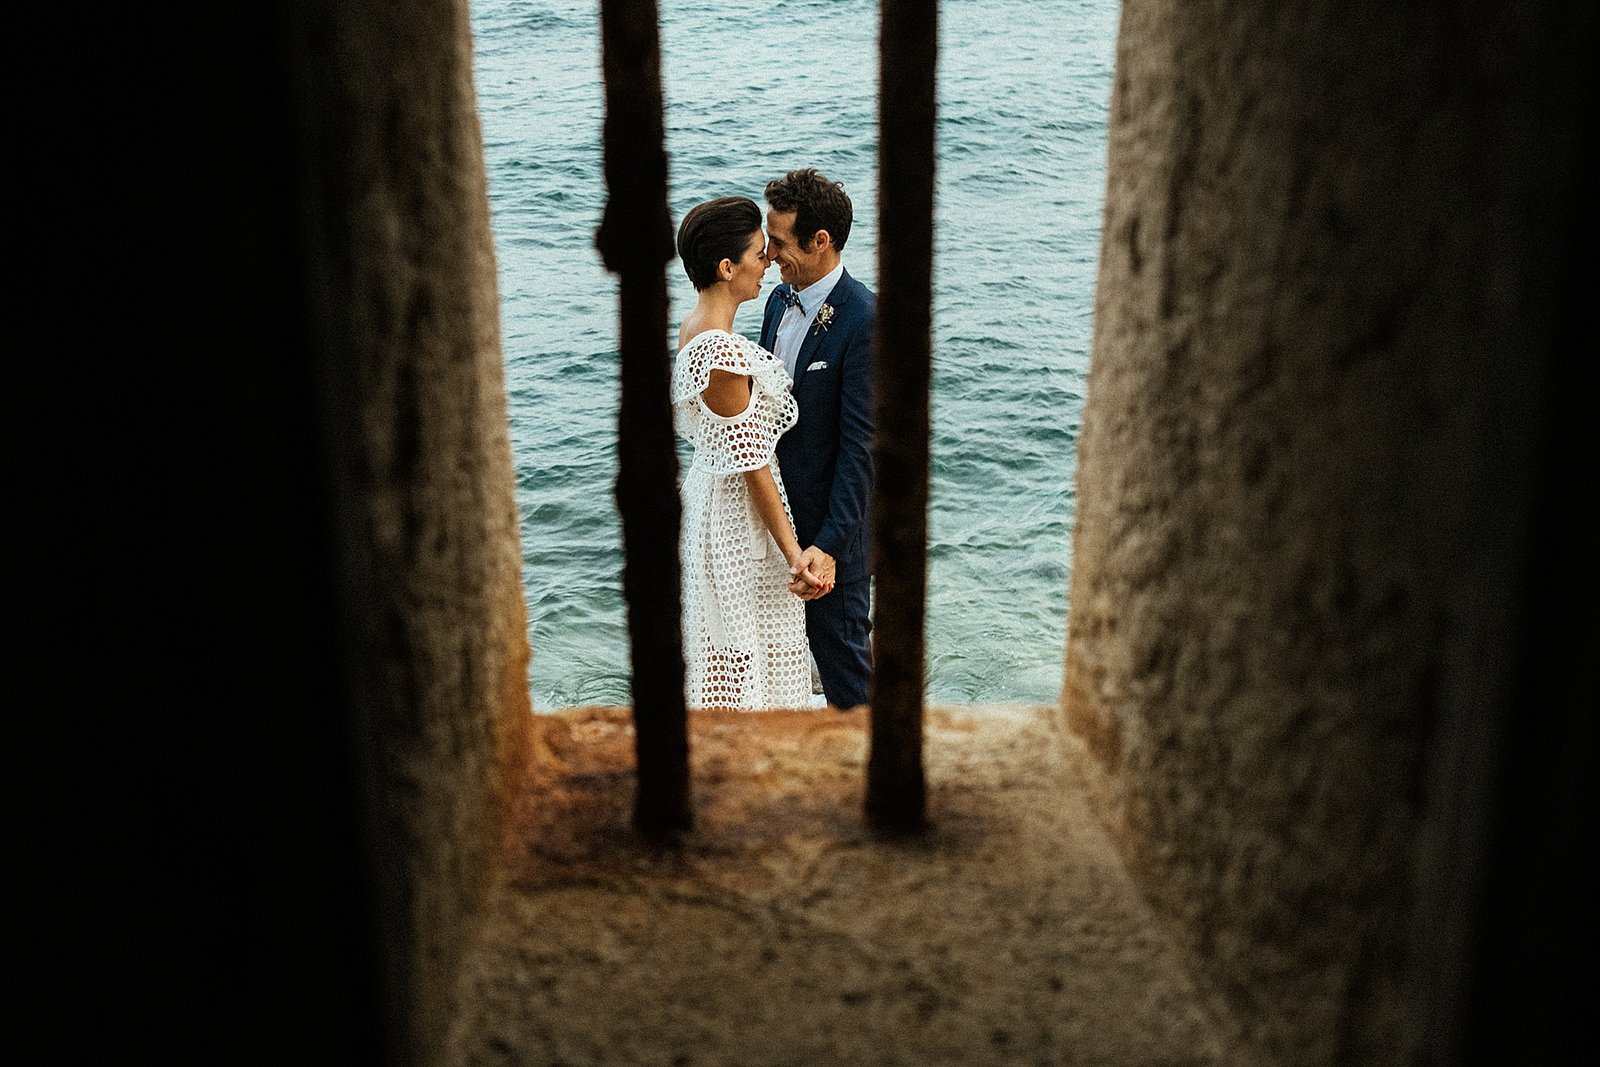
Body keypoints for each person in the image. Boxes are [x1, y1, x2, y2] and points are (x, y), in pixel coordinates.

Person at [672, 196, 827, 709]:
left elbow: (719, 442)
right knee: (742, 651)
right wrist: (793, 554)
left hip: (713, 499)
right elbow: (751, 462)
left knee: (730, 649)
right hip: (736, 521)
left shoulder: (694, 327)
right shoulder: (719, 349)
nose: (768, 263)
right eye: (759, 254)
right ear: (726, 267)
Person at [758, 169, 876, 711]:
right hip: (775, 529)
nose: (769, 254)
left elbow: (861, 449)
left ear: (820, 240)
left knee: (847, 680)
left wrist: (827, 547)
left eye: (779, 242)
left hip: (831, 542)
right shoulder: (777, 302)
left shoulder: (865, 320)